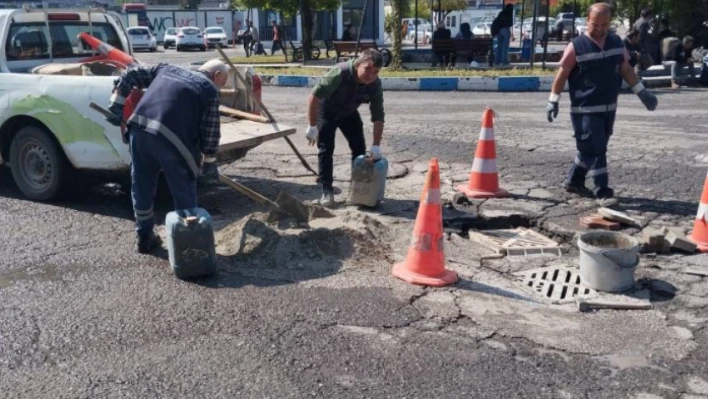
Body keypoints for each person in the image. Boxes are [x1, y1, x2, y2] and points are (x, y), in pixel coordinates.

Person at [105, 60, 229, 253]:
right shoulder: (209, 90)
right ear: (216, 76)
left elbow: (131, 74)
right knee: (183, 189)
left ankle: (144, 236)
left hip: (139, 131)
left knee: (141, 184)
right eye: (224, 82)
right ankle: (187, 245)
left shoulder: (166, 68)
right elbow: (210, 131)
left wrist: (117, 101)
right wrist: (210, 161)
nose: (222, 86)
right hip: (173, 142)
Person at [546, 3, 658, 205]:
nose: (599, 29)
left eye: (604, 25)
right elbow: (562, 74)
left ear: (609, 23)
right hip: (584, 109)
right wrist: (553, 100)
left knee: (591, 148)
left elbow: (626, 69)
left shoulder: (616, 42)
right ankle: (603, 190)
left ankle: (574, 180)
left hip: (608, 108)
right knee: (597, 148)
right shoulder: (576, 46)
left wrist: (642, 93)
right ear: (587, 21)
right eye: (595, 24)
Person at [304, 49, 385, 207]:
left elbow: (378, 115)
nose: (371, 75)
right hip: (326, 111)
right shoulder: (339, 73)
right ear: (358, 64)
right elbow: (314, 96)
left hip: (348, 113)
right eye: (368, 69)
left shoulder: (375, 85)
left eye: (376, 72)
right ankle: (327, 192)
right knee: (326, 149)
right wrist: (312, 126)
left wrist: (376, 144)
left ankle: (359, 191)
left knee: (359, 149)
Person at [632, 8, 653, 73]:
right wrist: (641, 49)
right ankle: (637, 74)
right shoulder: (643, 24)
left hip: (638, 46)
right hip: (642, 48)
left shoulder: (637, 22)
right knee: (649, 62)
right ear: (649, 16)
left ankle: (638, 74)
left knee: (640, 64)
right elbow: (641, 37)